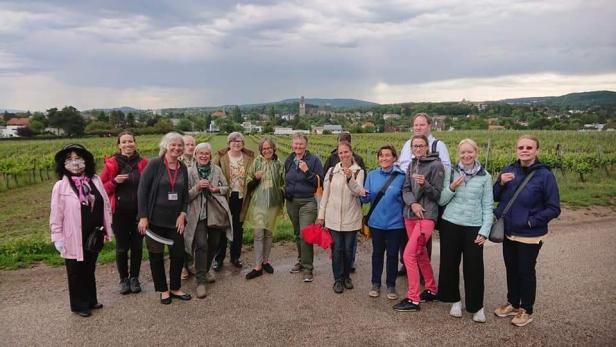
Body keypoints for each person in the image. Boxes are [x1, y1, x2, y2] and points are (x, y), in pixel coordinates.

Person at [493, 135, 560, 327]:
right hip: (509, 231)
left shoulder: (545, 175)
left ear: (536, 151)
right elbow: (495, 196)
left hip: (530, 234)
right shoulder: (509, 169)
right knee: (511, 269)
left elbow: (554, 207)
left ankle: (527, 309)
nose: (524, 150)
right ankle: (513, 303)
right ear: (516, 150)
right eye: (521, 147)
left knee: (525, 271)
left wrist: (530, 222)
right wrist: (500, 182)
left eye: (529, 147)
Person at [50, 144, 113, 317]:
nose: (75, 162)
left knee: (89, 267)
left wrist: (107, 228)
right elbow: (56, 214)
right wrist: (57, 237)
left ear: (86, 160)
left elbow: (105, 204)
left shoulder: (95, 180)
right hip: (72, 235)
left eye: (78, 158)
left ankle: (91, 299)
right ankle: (79, 305)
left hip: (94, 233)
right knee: (76, 270)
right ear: (63, 164)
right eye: (69, 159)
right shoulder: (60, 187)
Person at [436, 139, 493, 322]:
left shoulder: (485, 176)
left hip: (473, 226)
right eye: (463, 153)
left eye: (470, 152)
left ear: (475, 152)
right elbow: (441, 200)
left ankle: (477, 306)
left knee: (474, 268)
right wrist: (452, 187)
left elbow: (488, 205)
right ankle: (455, 300)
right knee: (449, 265)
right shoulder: (450, 172)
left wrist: (485, 231)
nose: (466, 156)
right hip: (450, 224)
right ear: (458, 154)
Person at [137, 132, 192, 304]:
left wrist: (183, 214)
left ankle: (175, 287)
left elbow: (184, 195)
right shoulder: (154, 164)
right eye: (173, 144)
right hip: (154, 220)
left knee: (178, 255)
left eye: (180, 145)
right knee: (156, 256)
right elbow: (142, 191)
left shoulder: (182, 167)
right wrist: (143, 217)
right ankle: (162, 290)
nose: (177, 148)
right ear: (166, 146)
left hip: (175, 221)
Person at [394, 135, 444, 312]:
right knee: (420, 254)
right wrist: (413, 203)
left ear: (427, 147)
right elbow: (405, 189)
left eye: (421, 146)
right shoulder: (411, 164)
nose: (418, 149)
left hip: (426, 217)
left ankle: (413, 299)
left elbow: (437, 195)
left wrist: (425, 184)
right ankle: (431, 289)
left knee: (409, 255)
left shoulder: (436, 165)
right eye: (415, 146)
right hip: (410, 215)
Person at [397, 113, 451, 276]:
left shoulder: (438, 145)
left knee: (422, 238)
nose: (418, 127)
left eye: (422, 125)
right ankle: (407, 264)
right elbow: (402, 163)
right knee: (407, 233)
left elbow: (445, 168)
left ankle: (421, 271)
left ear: (429, 126)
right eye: (416, 125)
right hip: (409, 190)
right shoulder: (408, 143)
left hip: (427, 195)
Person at [101, 131, 148, 295]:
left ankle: (134, 278)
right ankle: (123, 279)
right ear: (119, 145)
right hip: (119, 213)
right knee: (122, 248)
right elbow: (101, 189)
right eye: (124, 142)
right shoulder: (112, 164)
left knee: (137, 247)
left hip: (138, 213)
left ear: (135, 143)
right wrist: (114, 181)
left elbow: (149, 187)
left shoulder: (143, 164)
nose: (128, 144)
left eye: (130, 141)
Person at [184, 142, 233, 298]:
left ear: (210, 156)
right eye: (201, 154)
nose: (204, 156)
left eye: (206, 154)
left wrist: (215, 189)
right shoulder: (189, 172)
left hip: (214, 213)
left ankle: (204, 270)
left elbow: (226, 187)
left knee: (214, 243)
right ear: (195, 155)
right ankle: (200, 282)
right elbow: (185, 196)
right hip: (197, 214)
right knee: (201, 245)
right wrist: (197, 188)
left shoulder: (216, 170)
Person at [316, 141, 366, 293]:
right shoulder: (332, 171)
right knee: (337, 249)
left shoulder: (359, 172)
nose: (344, 155)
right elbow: (325, 195)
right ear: (338, 155)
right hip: (333, 218)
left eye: (346, 152)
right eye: (341, 153)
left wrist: (350, 178)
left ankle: (346, 277)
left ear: (352, 152)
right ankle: (338, 279)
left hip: (351, 218)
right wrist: (321, 216)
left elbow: (359, 192)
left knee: (348, 250)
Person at [360, 144, 405, 300]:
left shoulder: (401, 176)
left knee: (393, 254)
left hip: (395, 224)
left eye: (387, 155)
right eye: (381, 155)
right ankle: (375, 283)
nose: (384, 158)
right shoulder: (372, 175)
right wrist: (362, 195)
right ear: (378, 158)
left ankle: (391, 285)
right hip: (376, 222)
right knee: (377, 253)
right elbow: (365, 198)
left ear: (394, 158)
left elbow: (406, 199)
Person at [284, 133, 324, 283]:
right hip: (292, 201)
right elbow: (286, 179)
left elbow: (319, 182)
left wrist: (307, 171)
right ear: (292, 144)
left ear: (306, 145)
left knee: (305, 234)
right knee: (297, 233)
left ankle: (308, 268)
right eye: (296, 144)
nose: (298, 147)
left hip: (308, 202)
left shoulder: (313, 160)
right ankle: (301, 261)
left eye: (301, 144)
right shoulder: (289, 159)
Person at [213, 132, 255, 271]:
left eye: (239, 141)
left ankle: (235, 256)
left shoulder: (249, 158)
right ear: (229, 143)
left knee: (238, 227)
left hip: (241, 197)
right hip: (225, 197)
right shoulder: (221, 157)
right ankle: (219, 258)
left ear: (243, 143)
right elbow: (213, 172)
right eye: (233, 141)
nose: (236, 143)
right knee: (223, 227)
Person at [244, 137, 285, 280]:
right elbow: (248, 184)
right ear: (261, 150)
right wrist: (255, 178)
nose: (267, 151)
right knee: (258, 235)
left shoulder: (279, 164)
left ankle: (266, 261)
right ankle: (257, 266)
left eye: (269, 148)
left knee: (268, 234)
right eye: (264, 149)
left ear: (274, 149)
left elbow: (283, 183)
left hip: (273, 204)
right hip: (258, 205)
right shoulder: (257, 162)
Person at [180, 135, 197, 280]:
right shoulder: (177, 162)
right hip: (179, 205)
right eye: (187, 144)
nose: (190, 147)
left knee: (192, 236)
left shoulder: (197, 161)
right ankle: (182, 266)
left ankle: (191, 264)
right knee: (180, 237)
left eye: (192, 144)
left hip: (195, 204)